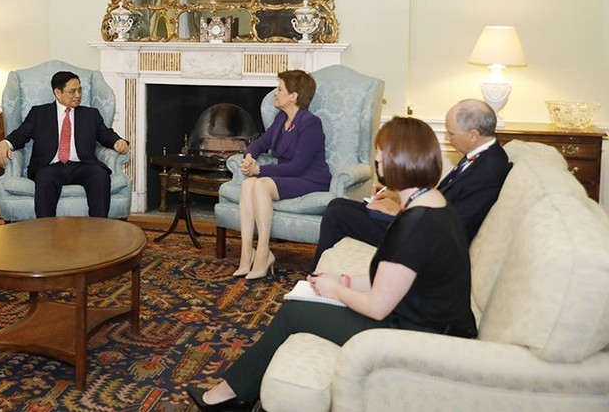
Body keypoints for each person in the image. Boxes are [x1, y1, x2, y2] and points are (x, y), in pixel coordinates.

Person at [187, 117, 477, 410]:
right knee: (305, 302)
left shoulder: (414, 225)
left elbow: (378, 306)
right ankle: (236, 392)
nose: (376, 159)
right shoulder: (433, 204)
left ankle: (229, 396)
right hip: (423, 320)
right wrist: (343, 280)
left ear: (394, 161)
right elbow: (394, 277)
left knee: (293, 314)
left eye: (379, 153)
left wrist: (335, 291)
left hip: (418, 336)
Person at [310, 98, 511, 270]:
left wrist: (401, 211)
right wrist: (398, 196)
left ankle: (313, 280)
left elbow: (453, 225)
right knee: (338, 204)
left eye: (451, 133)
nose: (447, 138)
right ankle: (316, 275)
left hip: (424, 241)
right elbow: (442, 201)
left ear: (473, 134)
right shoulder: (479, 157)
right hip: (421, 224)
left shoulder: (489, 171)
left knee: (337, 214)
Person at [232, 70, 330, 280]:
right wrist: (250, 156)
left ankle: (264, 253)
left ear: (294, 96)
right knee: (248, 185)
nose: (275, 94)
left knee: (260, 184)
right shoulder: (281, 119)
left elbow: (298, 167)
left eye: (280, 89)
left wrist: (260, 170)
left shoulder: (311, 123)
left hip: (311, 179)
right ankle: (246, 253)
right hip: (291, 176)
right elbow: (262, 142)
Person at [0, 70, 130, 218]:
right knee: (44, 180)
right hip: (50, 166)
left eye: (80, 90)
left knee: (100, 177)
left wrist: (119, 141)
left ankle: (98, 229)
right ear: (58, 92)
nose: (78, 95)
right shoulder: (39, 114)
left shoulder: (91, 115)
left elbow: (105, 134)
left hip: (83, 165)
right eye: (72, 91)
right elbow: (21, 134)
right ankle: (45, 230)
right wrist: (5, 143)